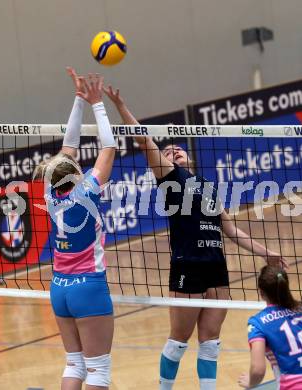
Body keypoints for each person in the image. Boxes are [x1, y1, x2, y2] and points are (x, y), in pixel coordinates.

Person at [103, 85, 288, 390]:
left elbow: (231, 230)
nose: (174, 150)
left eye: (178, 149)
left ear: (189, 155)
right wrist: (121, 105)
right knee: (178, 341)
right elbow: (143, 138)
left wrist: (265, 252)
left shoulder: (210, 188)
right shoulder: (170, 178)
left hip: (216, 267)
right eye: (167, 151)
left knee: (210, 342)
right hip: (187, 264)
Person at [34, 68, 116, 390]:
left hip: (59, 288)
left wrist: (79, 100)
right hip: (89, 288)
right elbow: (108, 147)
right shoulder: (87, 191)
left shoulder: (49, 194)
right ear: (75, 174)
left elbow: (67, 148)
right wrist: (96, 103)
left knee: (75, 364)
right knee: (99, 371)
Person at [238, 265, 302, 389]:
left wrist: (251, 382)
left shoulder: (257, 323)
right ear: (285, 286)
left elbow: (258, 370)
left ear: (261, 293)